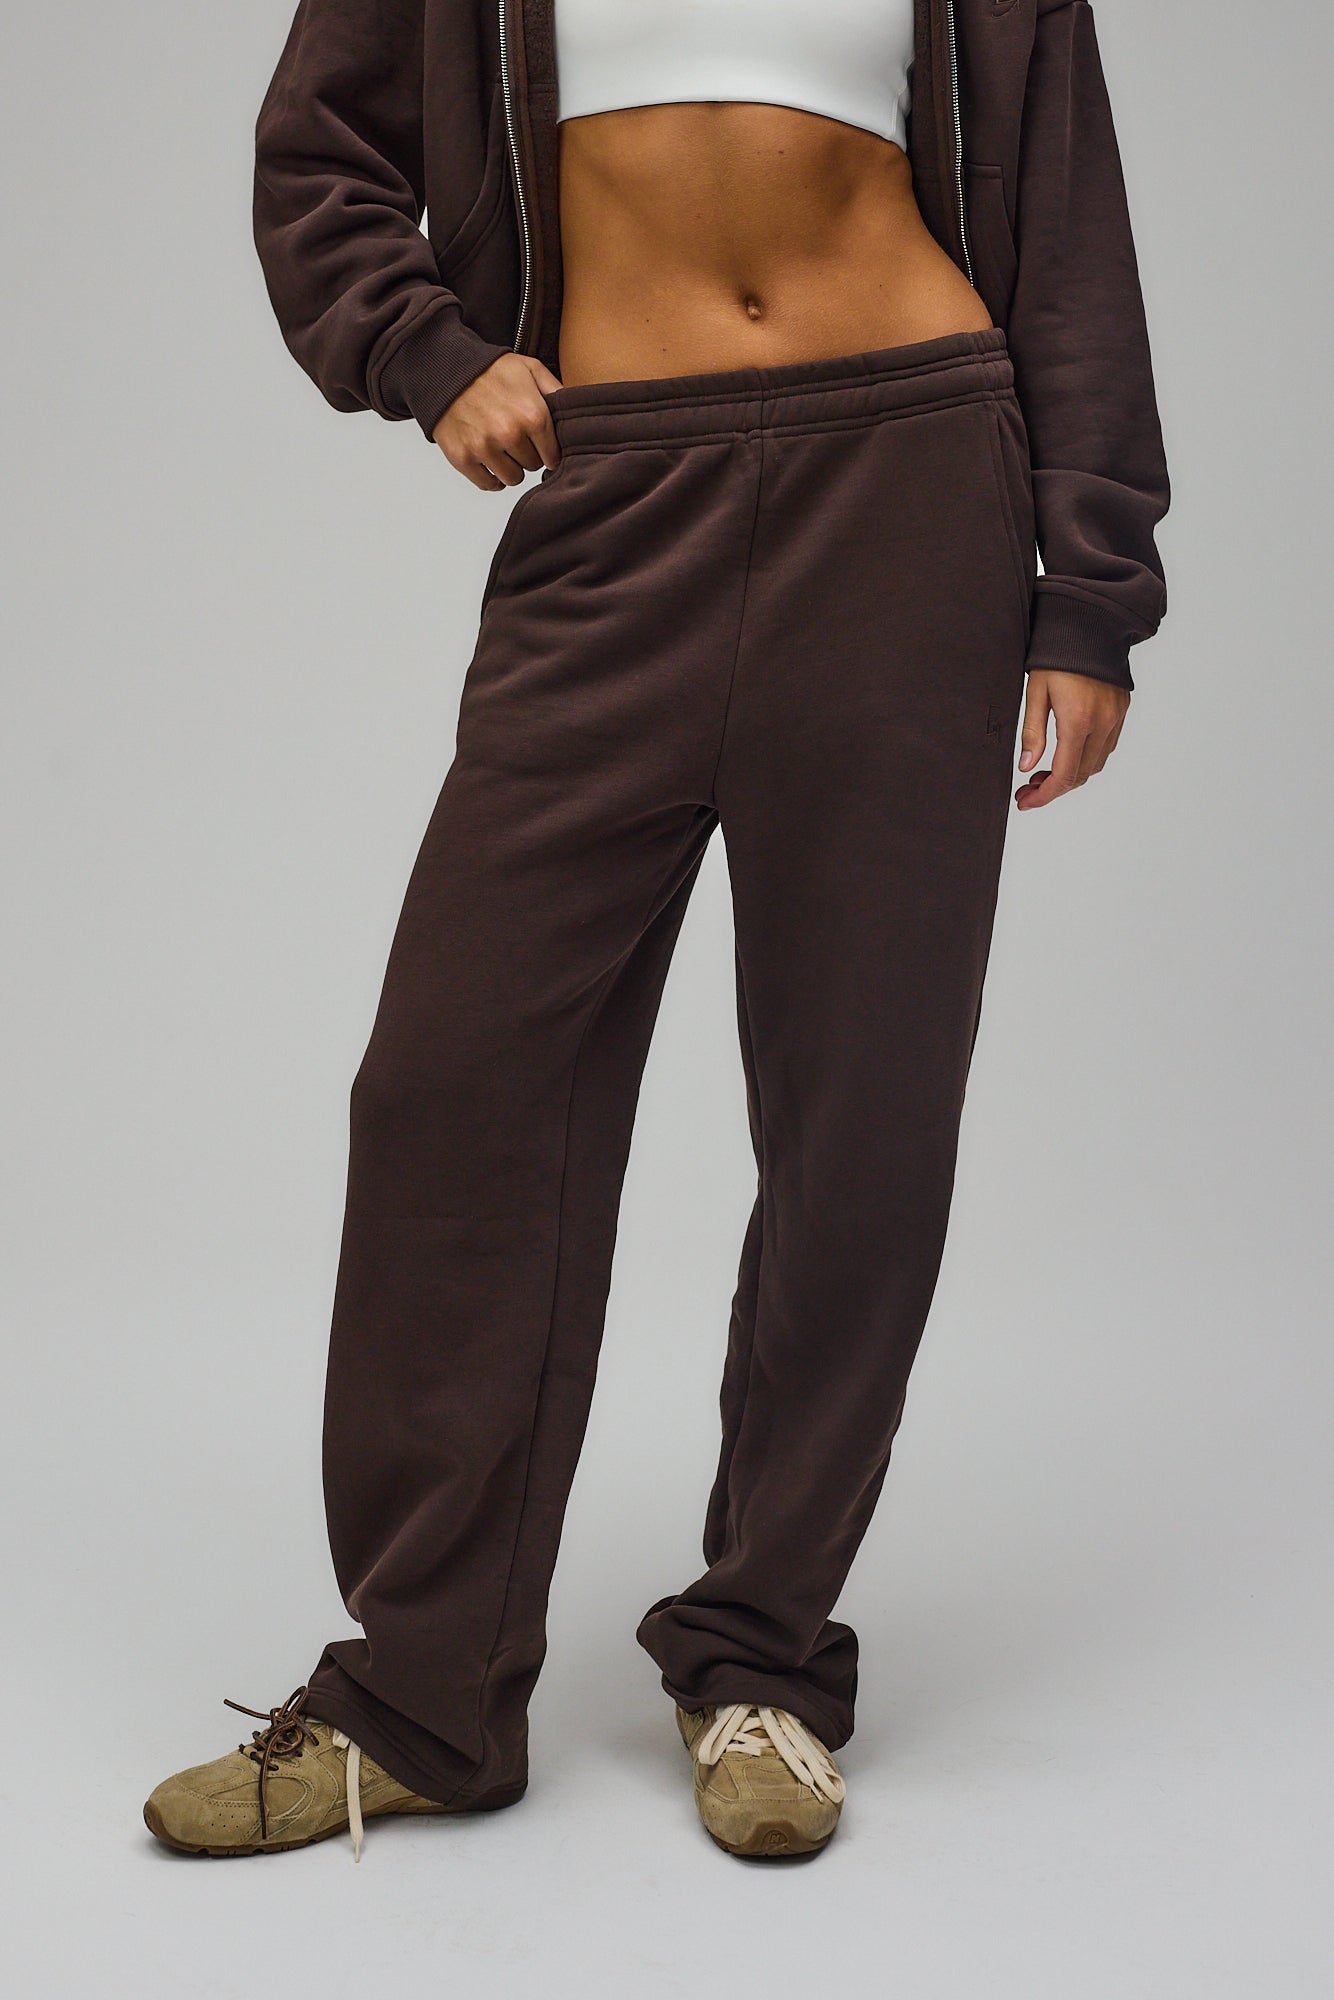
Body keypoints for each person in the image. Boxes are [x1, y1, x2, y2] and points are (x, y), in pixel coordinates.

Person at [144, 0, 1168, 1863]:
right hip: (620, 491)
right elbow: (320, 156)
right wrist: (427, 349)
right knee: (452, 1091)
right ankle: (423, 1696)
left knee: (860, 1120)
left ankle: (760, 1656)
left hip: (913, 478)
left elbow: (1069, 230)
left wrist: (1087, 590)